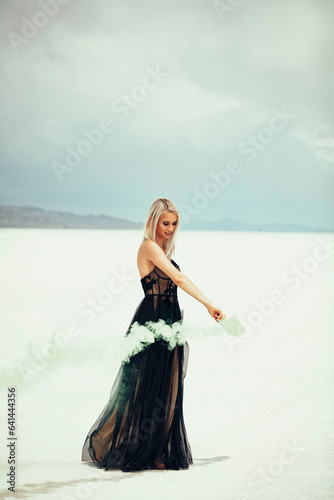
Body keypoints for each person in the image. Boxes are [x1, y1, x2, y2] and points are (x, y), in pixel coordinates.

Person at [81, 197, 225, 472]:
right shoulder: (148, 247)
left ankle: (157, 451)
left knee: (168, 389)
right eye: (165, 223)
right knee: (141, 389)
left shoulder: (164, 250)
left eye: (174, 224)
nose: (169, 228)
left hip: (170, 323)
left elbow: (175, 282)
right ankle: (112, 445)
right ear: (154, 221)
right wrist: (209, 304)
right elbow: (179, 280)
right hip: (151, 323)